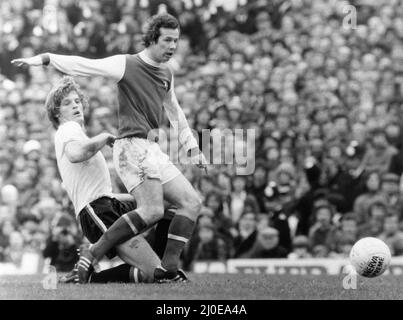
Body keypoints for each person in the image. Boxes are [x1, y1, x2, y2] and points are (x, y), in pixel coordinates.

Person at [12, 13, 207, 282]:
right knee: (154, 211)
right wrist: (46, 58)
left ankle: (167, 267)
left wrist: (192, 147)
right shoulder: (125, 65)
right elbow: (84, 65)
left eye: (176, 40)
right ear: (152, 39)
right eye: (167, 40)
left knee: (190, 203)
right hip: (131, 147)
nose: (173, 46)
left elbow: (175, 111)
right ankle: (98, 258)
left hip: (148, 152)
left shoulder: (166, 73)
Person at [43, 76, 179, 284]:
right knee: (155, 275)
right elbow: (75, 154)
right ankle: (90, 276)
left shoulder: (77, 132)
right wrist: (106, 137)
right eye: (67, 103)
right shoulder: (67, 129)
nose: (75, 105)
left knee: (166, 203)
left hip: (107, 203)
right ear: (56, 112)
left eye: (77, 101)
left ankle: (162, 265)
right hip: (96, 210)